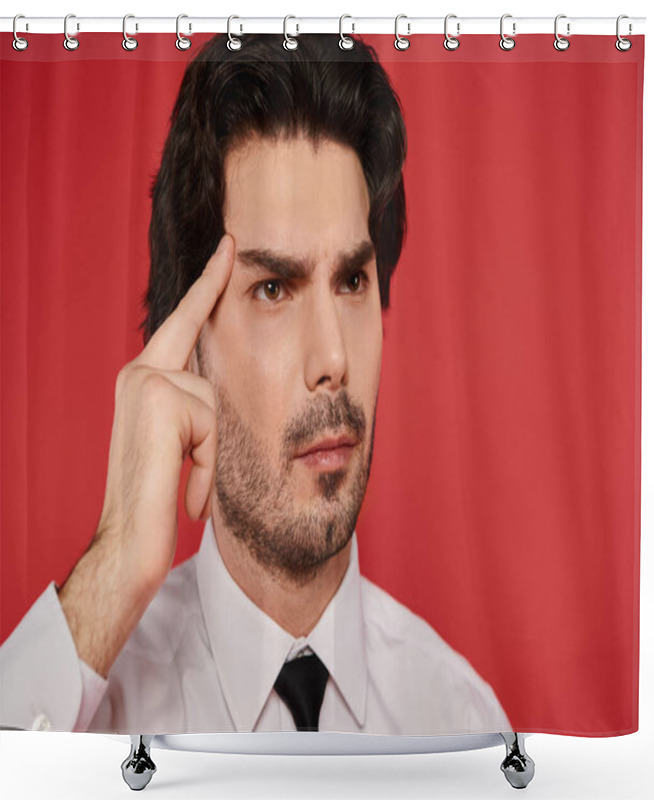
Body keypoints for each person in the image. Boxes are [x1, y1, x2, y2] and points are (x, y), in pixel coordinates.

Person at [0, 33, 510, 736]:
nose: (332, 357)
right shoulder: (80, 721)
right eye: (274, 288)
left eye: (353, 280)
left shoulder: (461, 718)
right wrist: (113, 573)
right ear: (186, 350)